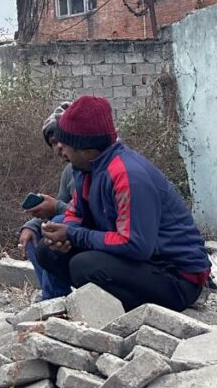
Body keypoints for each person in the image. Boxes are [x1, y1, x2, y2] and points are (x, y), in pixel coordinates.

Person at [35, 95, 212, 312]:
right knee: (48, 251)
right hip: (141, 263)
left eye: (66, 145)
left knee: (84, 266)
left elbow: (135, 246)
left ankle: (126, 316)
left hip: (176, 276)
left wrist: (73, 235)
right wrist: (64, 235)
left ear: (85, 150)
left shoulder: (128, 174)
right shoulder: (83, 170)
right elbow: (76, 214)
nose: (61, 150)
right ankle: (62, 309)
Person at [17, 103, 75, 299]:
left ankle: (52, 302)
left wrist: (56, 208)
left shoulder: (100, 168)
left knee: (55, 226)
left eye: (62, 139)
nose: (58, 146)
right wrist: (31, 225)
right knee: (34, 235)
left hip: (100, 241)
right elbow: (62, 206)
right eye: (53, 142)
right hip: (79, 234)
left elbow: (93, 214)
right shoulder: (70, 172)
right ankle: (54, 300)